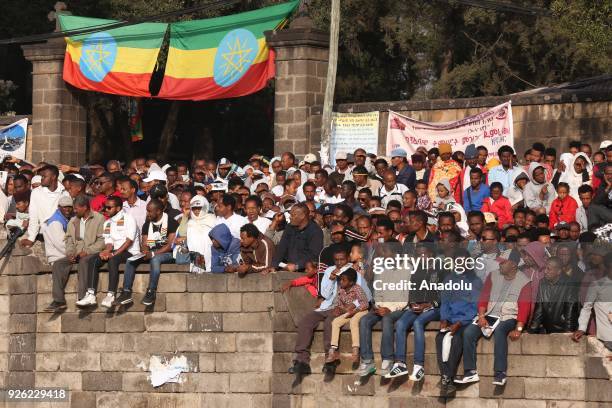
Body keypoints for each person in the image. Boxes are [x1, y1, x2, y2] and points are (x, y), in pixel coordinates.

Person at [459, 249, 532, 386]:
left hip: (509, 316)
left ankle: (500, 373)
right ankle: (470, 372)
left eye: (503, 263)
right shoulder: (492, 276)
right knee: (468, 332)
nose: (500, 265)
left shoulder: (524, 281)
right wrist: (481, 316)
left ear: (514, 265)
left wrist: (519, 328)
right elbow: (483, 298)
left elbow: (524, 308)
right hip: (490, 314)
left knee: (500, 331)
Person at [288, 248, 359, 375]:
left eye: (342, 259)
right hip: (327, 305)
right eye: (336, 260)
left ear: (347, 258)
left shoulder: (354, 270)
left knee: (330, 322)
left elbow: (358, 293)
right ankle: (302, 361)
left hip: (344, 306)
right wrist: (331, 278)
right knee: (305, 322)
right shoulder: (329, 270)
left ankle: (330, 359)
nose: (339, 263)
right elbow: (325, 293)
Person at [386, 243, 443, 380]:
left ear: (430, 255)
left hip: (435, 308)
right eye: (417, 255)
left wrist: (429, 304)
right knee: (400, 324)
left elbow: (445, 294)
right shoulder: (417, 271)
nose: (420, 257)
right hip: (417, 307)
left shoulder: (440, 271)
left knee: (418, 323)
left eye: (422, 254)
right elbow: (412, 291)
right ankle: (400, 363)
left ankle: (419, 365)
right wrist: (412, 303)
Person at [44, 195, 105, 312]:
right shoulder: (73, 220)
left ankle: (83, 297)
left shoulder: (99, 218)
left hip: (92, 253)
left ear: (85, 207)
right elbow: (69, 240)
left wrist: (86, 252)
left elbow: (102, 241)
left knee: (84, 261)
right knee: (58, 264)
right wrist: (70, 253)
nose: (74, 211)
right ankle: (58, 300)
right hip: (76, 253)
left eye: (77, 209)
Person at [116, 199, 179, 307]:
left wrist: (153, 254)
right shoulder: (147, 224)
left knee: (155, 259)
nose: (147, 214)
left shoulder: (171, 222)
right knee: (131, 260)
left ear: (158, 211)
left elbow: (170, 245)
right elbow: (144, 243)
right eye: (147, 211)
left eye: (150, 211)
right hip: (150, 252)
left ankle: (151, 292)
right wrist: (145, 252)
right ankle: (126, 292)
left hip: (167, 254)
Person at [436, 248, 482, 393]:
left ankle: (448, 378)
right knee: (439, 338)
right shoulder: (449, 279)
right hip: (451, 319)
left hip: (466, 320)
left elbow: (474, 307)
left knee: (456, 339)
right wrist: (444, 319)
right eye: (458, 261)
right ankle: (445, 375)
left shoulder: (475, 280)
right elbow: (445, 301)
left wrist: (460, 322)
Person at [94, 196, 141, 308]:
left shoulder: (129, 219)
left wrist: (113, 254)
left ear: (118, 208)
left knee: (113, 260)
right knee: (93, 260)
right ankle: (90, 293)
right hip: (116, 251)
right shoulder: (107, 223)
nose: (106, 210)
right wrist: (106, 251)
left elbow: (129, 241)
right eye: (105, 207)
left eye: (109, 207)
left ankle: (111, 294)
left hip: (131, 251)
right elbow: (109, 241)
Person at [326, 268, 370, 364]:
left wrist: (354, 310)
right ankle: (333, 349)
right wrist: (339, 309)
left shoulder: (357, 288)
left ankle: (355, 351)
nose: (341, 282)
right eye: (340, 279)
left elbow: (365, 303)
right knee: (336, 322)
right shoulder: (341, 290)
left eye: (343, 280)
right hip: (349, 312)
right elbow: (340, 304)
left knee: (354, 321)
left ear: (351, 282)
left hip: (361, 311)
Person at [528, 257, 580, 334]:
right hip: (547, 328)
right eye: (545, 268)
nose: (545, 271)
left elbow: (570, 311)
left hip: (563, 329)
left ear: (558, 271)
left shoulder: (570, 284)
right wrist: (532, 330)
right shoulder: (543, 282)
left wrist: (568, 333)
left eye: (548, 269)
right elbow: (539, 309)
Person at [572, 253, 612, 351]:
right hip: (607, 338)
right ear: (608, 268)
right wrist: (582, 328)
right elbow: (586, 308)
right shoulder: (597, 285)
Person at [21, 165, 68, 247]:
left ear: (53, 177)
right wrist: (31, 238)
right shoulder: (36, 192)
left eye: (44, 176)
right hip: (43, 235)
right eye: (41, 176)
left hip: (62, 235)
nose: (41, 178)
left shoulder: (64, 193)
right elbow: (33, 216)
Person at [270, 203, 323, 272]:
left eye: (293, 215)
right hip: (287, 267)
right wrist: (274, 266)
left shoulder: (315, 231)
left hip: (305, 270)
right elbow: (281, 248)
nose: (290, 217)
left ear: (302, 216)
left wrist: (297, 266)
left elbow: (314, 255)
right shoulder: (289, 227)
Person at [42, 196, 74, 265]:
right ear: (59, 207)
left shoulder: (66, 219)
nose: (67, 209)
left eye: (70, 207)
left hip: (64, 256)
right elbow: (61, 244)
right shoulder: (55, 222)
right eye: (64, 207)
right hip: (58, 258)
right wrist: (74, 253)